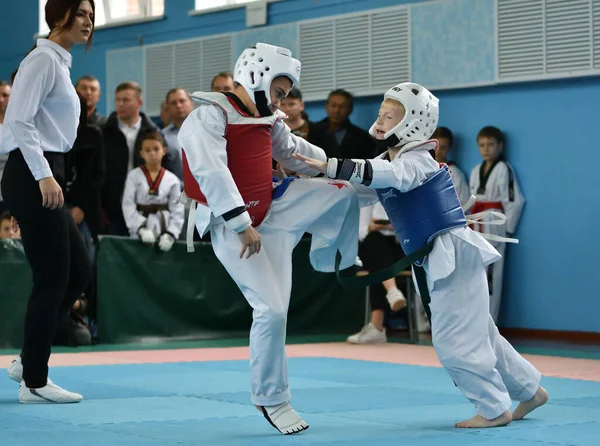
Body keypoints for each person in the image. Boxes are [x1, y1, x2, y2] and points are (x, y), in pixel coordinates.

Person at [293, 82, 547, 429]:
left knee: (452, 338)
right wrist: (307, 174)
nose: (380, 121)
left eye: (390, 115)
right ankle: (529, 390)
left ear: (413, 122)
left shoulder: (417, 159)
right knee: (480, 334)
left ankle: (493, 408)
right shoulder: (389, 159)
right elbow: (358, 190)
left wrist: (333, 164)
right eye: (381, 114)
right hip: (437, 257)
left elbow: (391, 176)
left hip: (451, 254)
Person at [178, 42, 367, 435]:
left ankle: (338, 260)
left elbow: (297, 154)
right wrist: (239, 221)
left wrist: (347, 168)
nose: (282, 100)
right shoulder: (208, 117)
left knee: (345, 191)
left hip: (273, 208)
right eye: (279, 92)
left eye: (285, 94)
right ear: (255, 78)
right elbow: (210, 170)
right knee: (272, 310)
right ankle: (272, 399)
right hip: (232, 225)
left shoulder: (270, 119)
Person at [0, 0, 95, 403]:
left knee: (79, 269)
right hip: (31, 170)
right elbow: (18, 121)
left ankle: (27, 360)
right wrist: (43, 176)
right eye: (82, 14)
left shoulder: (59, 63)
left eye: (92, 16)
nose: (89, 22)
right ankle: (34, 382)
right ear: (59, 16)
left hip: (42, 169)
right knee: (53, 276)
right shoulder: (41, 61)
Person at [469, 126, 525, 323]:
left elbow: (515, 201)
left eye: (490, 145)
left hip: (494, 225)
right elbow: (471, 199)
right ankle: (474, 321)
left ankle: (489, 323)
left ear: (500, 146)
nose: (486, 149)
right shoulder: (476, 170)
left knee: (492, 275)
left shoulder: (504, 169)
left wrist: (507, 230)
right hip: (476, 225)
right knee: (475, 275)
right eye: (482, 145)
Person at [122, 130, 184, 249]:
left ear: (164, 150)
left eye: (156, 149)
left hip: (164, 227)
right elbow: (127, 204)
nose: (152, 154)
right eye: (147, 150)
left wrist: (171, 233)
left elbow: (177, 209)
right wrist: (140, 228)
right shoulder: (133, 176)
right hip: (140, 227)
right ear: (141, 153)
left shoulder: (172, 180)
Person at [432, 127, 470, 207]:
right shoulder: (421, 170)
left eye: (443, 147)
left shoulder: (455, 174)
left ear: (449, 148)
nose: (438, 151)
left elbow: (465, 203)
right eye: (436, 146)